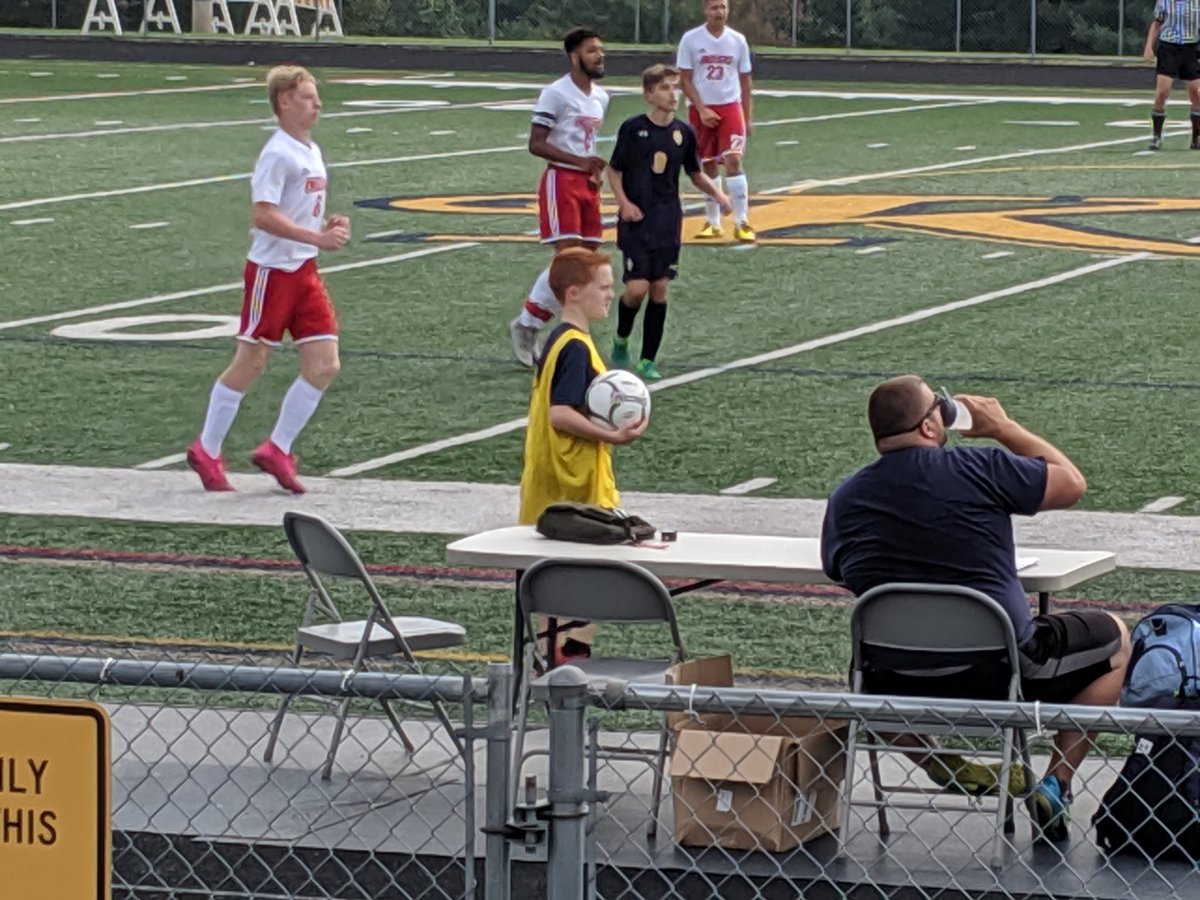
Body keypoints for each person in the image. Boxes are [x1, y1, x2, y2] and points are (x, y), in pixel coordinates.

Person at [820, 375, 1130, 842]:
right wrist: (1004, 426)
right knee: (1118, 637)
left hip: (894, 677)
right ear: (930, 426)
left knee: (859, 672)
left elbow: (839, 570)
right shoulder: (979, 467)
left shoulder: (846, 498)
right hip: (1000, 669)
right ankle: (1056, 782)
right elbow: (1072, 484)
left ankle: (942, 764)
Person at [186, 65, 349, 494]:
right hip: (273, 272)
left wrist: (324, 225)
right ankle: (207, 447)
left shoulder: (310, 150)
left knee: (325, 363)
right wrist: (316, 235)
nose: (318, 104)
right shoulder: (278, 153)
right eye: (309, 97)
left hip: (305, 270)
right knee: (252, 361)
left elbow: (297, 208)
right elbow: (263, 214)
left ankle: (278, 448)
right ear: (285, 102)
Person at [518, 247, 648, 661]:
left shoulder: (561, 340)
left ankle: (553, 658)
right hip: (572, 486)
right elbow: (560, 415)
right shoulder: (573, 347)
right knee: (595, 577)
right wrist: (611, 436)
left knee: (558, 582)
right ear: (574, 293)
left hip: (556, 480)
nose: (611, 295)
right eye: (604, 287)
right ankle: (565, 659)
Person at [607, 64, 731, 381]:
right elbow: (614, 170)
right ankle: (621, 338)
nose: (671, 94)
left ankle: (648, 359)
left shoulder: (684, 133)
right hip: (637, 218)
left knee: (659, 288)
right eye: (663, 88)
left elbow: (695, 172)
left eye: (673, 88)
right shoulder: (633, 129)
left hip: (666, 218)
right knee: (636, 289)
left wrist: (718, 194)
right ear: (648, 94)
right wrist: (624, 203)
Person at [508, 28, 610, 368]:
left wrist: (592, 169)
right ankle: (530, 324)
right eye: (592, 50)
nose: (599, 56)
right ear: (574, 56)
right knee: (569, 258)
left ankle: (537, 324)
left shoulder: (602, 97)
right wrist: (579, 162)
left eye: (601, 50)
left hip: (586, 184)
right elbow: (536, 142)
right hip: (561, 181)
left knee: (585, 262)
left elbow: (585, 142)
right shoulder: (555, 93)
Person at [676, 0, 755, 242]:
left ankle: (742, 222)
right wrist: (701, 109)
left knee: (733, 160)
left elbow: (745, 80)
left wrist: (747, 116)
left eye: (723, 7)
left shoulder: (737, 40)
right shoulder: (690, 39)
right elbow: (685, 79)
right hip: (701, 109)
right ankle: (713, 222)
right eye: (714, 8)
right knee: (708, 164)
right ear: (705, 10)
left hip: (730, 107)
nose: (719, 12)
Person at [1143, 0, 1200, 151]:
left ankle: (1196, 137)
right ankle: (1156, 136)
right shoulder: (1164, 1)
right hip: (1169, 47)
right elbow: (1157, 23)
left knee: (1196, 93)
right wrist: (1149, 47)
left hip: (1190, 47)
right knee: (1162, 92)